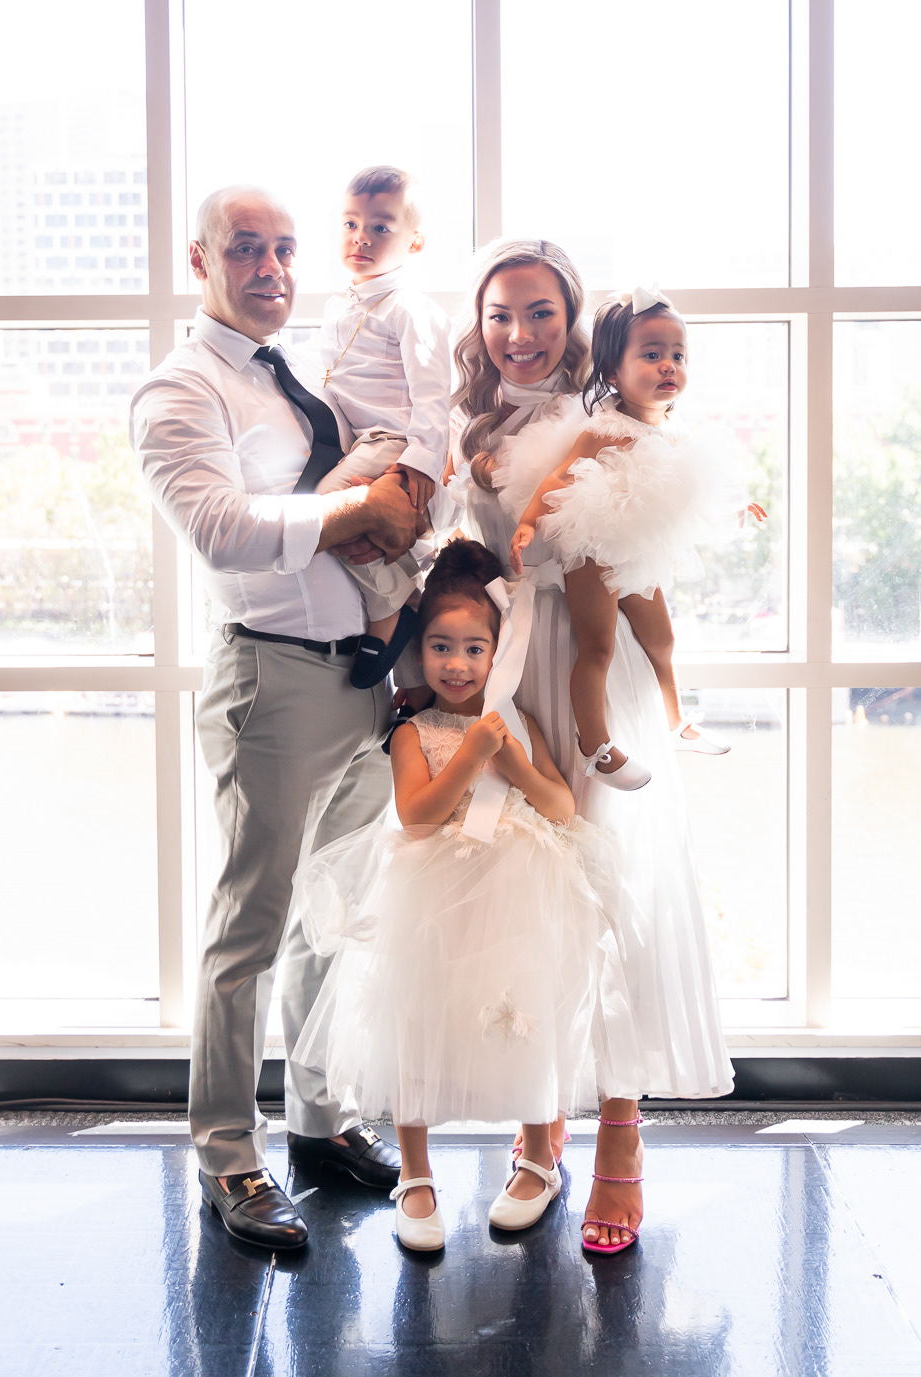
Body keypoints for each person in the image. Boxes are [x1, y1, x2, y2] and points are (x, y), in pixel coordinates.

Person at [130, 185, 422, 1251]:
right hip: (271, 682)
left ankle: (319, 1120)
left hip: (363, 682)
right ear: (199, 259)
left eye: (285, 248)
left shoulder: (298, 379)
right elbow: (220, 527)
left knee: (332, 913)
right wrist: (354, 508)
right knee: (248, 927)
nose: (271, 268)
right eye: (246, 248)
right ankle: (227, 1153)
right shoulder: (179, 388)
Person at [450, 239, 736, 1254]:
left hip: (594, 667)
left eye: (539, 312)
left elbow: (651, 539)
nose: (519, 333)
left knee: (616, 885)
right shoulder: (470, 423)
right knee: (528, 887)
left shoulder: (607, 409)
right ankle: (539, 1129)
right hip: (514, 666)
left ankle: (620, 1125)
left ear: (572, 321)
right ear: (479, 324)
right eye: (499, 314)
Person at [291, 540, 641, 1252]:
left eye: (474, 648)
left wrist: (511, 758)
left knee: (525, 1011)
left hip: (516, 890)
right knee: (418, 1020)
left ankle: (538, 1157)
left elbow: (561, 807)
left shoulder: (515, 722)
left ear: (497, 651)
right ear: (419, 651)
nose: (456, 664)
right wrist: (473, 756)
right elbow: (417, 815)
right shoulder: (413, 732)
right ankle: (416, 1175)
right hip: (433, 893)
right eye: (441, 647)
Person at [506, 287, 766, 780]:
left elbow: (694, 474)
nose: (668, 366)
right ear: (612, 373)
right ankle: (595, 746)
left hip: (635, 547)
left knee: (662, 638)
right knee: (597, 647)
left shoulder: (672, 424)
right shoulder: (606, 428)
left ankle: (676, 723)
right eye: (651, 356)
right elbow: (559, 477)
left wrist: (736, 501)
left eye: (677, 356)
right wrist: (528, 522)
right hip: (592, 545)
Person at [315, 166, 452, 689]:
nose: (361, 238)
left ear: (414, 241)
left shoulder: (411, 309)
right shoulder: (339, 305)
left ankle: (388, 608)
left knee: (325, 508)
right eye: (351, 224)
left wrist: (420, 462)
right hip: (362, 443)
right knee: (357, 528)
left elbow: (434, 396)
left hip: (395, 442)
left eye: (380, 227)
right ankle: (409, 618)